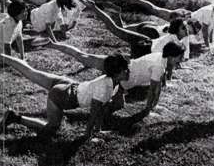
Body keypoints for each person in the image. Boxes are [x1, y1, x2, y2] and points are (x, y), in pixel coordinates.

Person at [0, 53, 130, 139]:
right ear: (117, 73)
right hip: (63, 95)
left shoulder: (112, 80)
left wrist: (98, 130)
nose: (128, 71)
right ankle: (14, 117)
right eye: (125, 70)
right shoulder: (106, 87)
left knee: (32, 72)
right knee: (51, 128)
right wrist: (88, 135)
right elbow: (95, 111)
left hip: (69, 85)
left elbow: (100, 109)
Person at [46, 40, 185, 117]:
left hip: (122, 76)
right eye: (180, 57)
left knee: (117, 105)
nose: (182, 59)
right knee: (83, 56)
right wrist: (149, 110)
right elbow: (154, 89)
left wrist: (154, 105)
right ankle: (52, 44)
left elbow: (158, 87)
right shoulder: (159, 66)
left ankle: (93, 112)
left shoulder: (161, 58)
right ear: (172, 56)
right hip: (119, 70)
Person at [82, 0, 198, 67]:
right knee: (116, 30)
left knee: (117, 30)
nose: (187, 30)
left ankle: (95, 8)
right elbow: (167, 64)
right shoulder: (174, 41)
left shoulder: (177, 38)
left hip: (145, 41)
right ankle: (95, 8)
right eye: (184, 28)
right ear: (177, 30)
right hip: (145, 46)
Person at [126, 0, 214, 49]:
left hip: (186, 22)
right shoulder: (208, 11)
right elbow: (205, 31)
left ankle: (126, 28)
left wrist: (210, 43)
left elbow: (210, 29)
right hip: (181, 17)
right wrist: (208, 46)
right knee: (155, 10)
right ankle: (134, 0)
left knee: (155, 27)